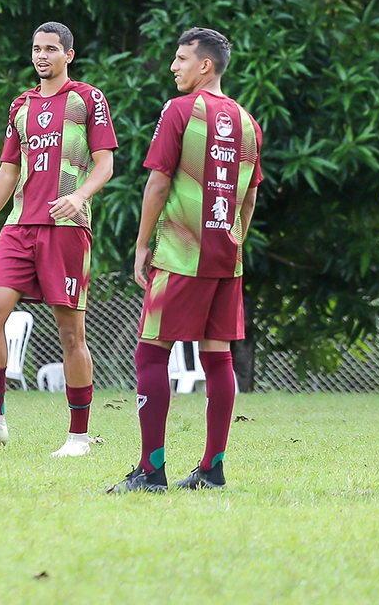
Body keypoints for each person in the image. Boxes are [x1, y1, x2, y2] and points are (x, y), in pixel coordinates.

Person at [107, 27, 263, 494]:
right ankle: (212, 469)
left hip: (179, 254)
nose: (173, 66)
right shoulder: (248, 121)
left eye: (180, 59)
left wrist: (140, 246)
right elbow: (250, 197)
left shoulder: (179, 111)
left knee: (151, 351)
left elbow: (157, 184)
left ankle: (150, 469)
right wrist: (235, 239)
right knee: (218, 357)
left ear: (205, 66)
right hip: (226, 259)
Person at [0, 21, 117, 457]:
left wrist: (80, 195)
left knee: (70, 335)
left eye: (50, 49)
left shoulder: (88, 99)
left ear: (69, 54)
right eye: (36, 49)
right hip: (18, 227)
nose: (41, 56)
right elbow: (8, 171)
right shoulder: (20, 106)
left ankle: (78, 438)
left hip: (67, 230)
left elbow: (105, 164)